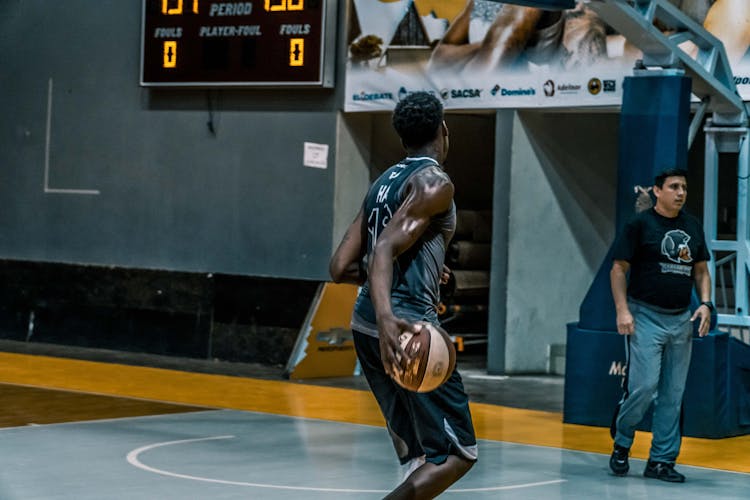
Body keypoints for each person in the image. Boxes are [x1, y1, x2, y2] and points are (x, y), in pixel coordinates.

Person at [329, 91, 477, 499]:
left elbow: (340, 266)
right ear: (442, 131)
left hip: (366, 327)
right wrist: (389, 315)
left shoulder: (382, 182)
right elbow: (383, 249)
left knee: (418, 453)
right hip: (407, 329)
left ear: (402, 138)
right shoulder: (434, 182)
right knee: (455, 454)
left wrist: (426, 272)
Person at [608, 168, 713, 483]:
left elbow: (702, 271)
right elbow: (617, 269)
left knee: (673, 393)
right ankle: (623, 441)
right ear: (657, 191)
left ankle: (661, 461)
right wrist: (622, 310)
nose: (680, 192)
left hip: (681, 319)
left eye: (684, 187)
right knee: (643, 387)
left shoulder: (692, 226)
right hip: (645, 317)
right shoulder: (639, 225)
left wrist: (706, 304)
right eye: (674, 187)